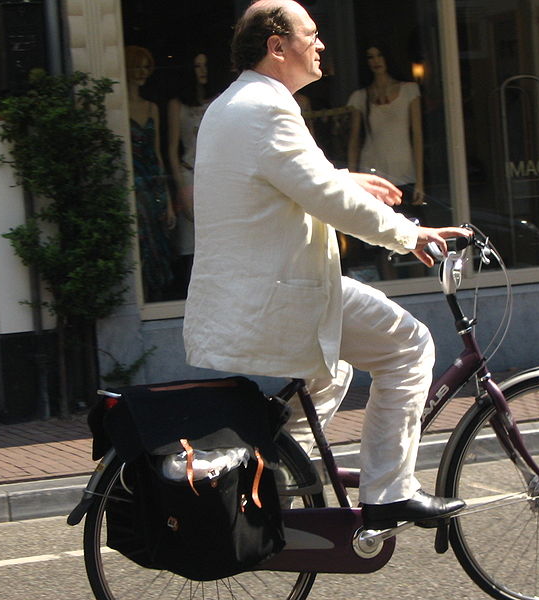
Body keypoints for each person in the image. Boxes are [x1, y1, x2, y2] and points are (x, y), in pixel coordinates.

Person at [183, 0, 468, 529]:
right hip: (279, 293)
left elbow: (290, 175)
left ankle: (245, 470)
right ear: (277, 46)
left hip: (250, 293)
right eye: (310, 34)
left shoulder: (232, 104)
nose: (320, 44)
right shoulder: (267, 108)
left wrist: (348, 178)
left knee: (329, 375)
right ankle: (389, 493)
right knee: (409, 346)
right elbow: (318, 193)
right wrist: (412, 235)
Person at [347, 41, 426, 279]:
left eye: (380, 55)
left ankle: (419, 282)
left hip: (404, 171)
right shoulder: (360, 97)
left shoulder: (409, 90)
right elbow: (354, 140)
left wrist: (420, 181)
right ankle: (392, 288)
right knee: (381, 240)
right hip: (373, 175)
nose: (376, 61)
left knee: (413, 235)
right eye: (370, 57)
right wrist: (351, 180)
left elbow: (418, 136)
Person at [126, 45, 176, 301]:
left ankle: (156, 296)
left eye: (147, 67)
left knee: (158, 243)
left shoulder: (151, 108)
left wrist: (167, 200)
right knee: (142, 244)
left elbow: (157, 152)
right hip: (134, 184)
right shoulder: (120, 109)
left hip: (153, 181)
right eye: (138, 66)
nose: (143, 73)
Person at [167, 52, 217, 293]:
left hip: (216, 176)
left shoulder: (218, 100)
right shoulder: (177, 106)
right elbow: (172, 149)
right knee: (192, 243)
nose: (202, 71)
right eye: (197, 66)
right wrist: (179, 187)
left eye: (205, 65)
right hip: (189, 175)